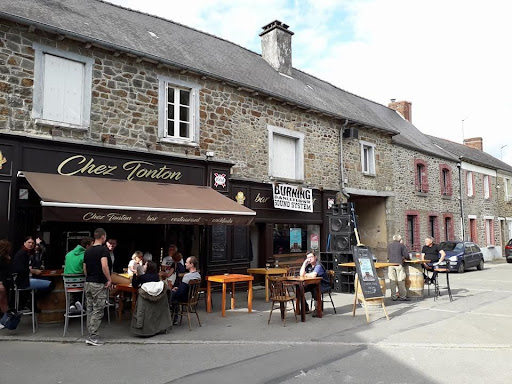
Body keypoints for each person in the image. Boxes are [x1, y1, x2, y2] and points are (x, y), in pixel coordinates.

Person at [83, 228, 112, 346]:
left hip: (88, 282)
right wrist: (109, 279)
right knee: (98, 309)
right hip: (98, 283)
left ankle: (90, 333)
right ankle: (93, 336)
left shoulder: (87, 251)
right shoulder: (103, 250)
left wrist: (89, 277)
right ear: (103, 237)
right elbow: (104, 266)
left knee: (89, 308)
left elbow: (84, 268)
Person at [11, 236, 52, 310]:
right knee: (50, 284)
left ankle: (31, 301)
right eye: (29, 242)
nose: (31, 244)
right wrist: (33, 271)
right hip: (23, 281)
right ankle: (31, 302)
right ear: (24, 243)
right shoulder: (22, 253)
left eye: (32, 243)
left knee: (46, 281)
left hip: (24, 280)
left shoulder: (27, 253)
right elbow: (19, 269)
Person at [170, 256, 201, 324]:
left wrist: (173, 291)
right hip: (191, 297)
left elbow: (181, 292)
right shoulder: (198, 275)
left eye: (187, 263)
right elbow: (186, 288)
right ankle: (174, 318)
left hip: (184, 297)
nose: (185, 264)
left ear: (191, 264)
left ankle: (171, 317)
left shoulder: (187, 276)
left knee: (169, 296)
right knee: (173, 295)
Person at [299, 251, 329, 316]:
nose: (309, 259)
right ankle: (305, 308)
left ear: (315, 257)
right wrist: (304, 263)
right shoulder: (308, 265)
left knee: (315, 289)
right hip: (311, 284)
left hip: (322, 284)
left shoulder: (318, 265)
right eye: (308, 257)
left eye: (311, 257)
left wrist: (306, 274)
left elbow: (313, 275)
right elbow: (301, 274)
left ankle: (318, 309)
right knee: (299, 289)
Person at [387, 234, 410, 301]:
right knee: (401, 280)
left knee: (392, 281)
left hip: (391, 264)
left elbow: (388, 255)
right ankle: (402, 296)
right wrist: (407, 258)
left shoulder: (389, 245)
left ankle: (393, 296)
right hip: (398, 264)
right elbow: (406, 255)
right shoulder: (401, 245)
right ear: (400, 239)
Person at [0, 239, 12, 316]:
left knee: (4, 300)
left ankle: (5, 318)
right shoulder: (1, 258)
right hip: (2, 281)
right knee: (2, 299)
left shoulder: (5, 257)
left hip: (5, 280)